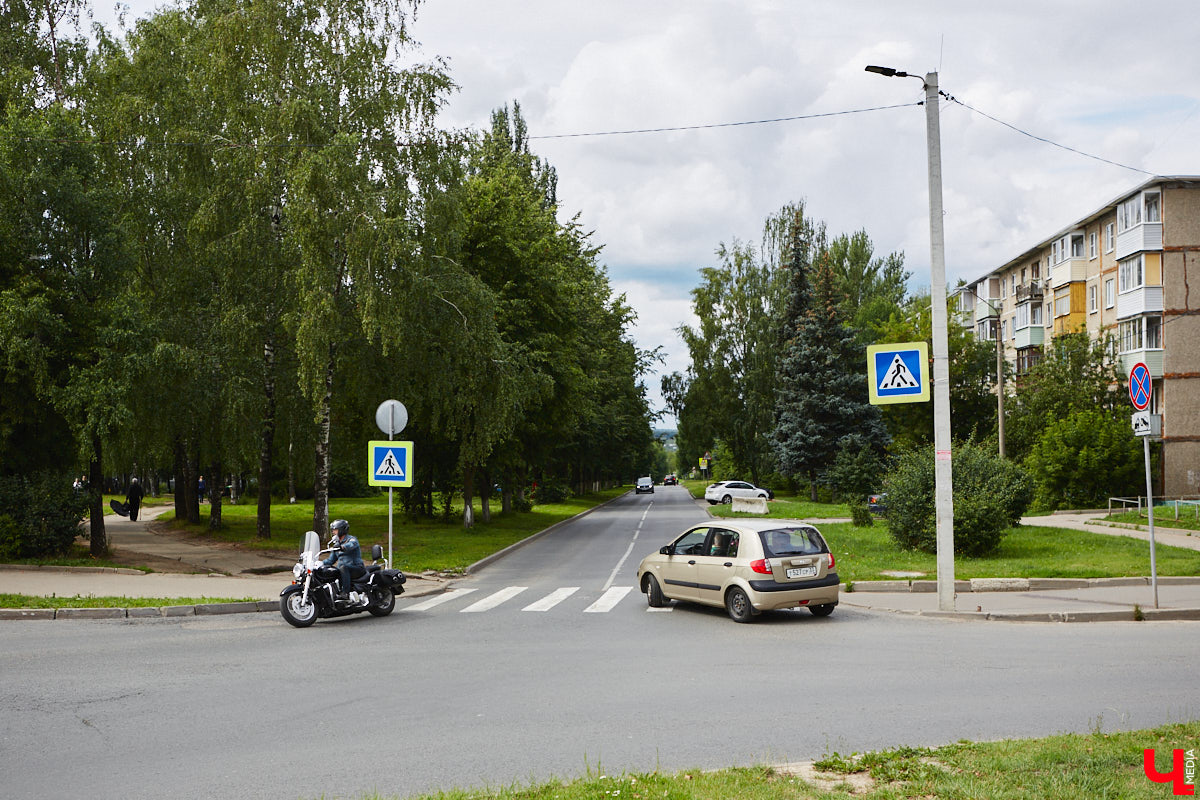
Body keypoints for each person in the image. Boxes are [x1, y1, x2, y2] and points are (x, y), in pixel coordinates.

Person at [322, 519, 365, 602]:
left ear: (342, 530)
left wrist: (342, 547)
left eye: (335, 530)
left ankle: (345, 593)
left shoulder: (352, 539)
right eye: (333, 530)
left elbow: (351, 545)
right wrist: (319, 563)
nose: (333, 532)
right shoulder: (337, 544)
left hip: (357, 568)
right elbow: (331, 560)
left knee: (343, 567)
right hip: (343, 570)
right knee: (330, 571)